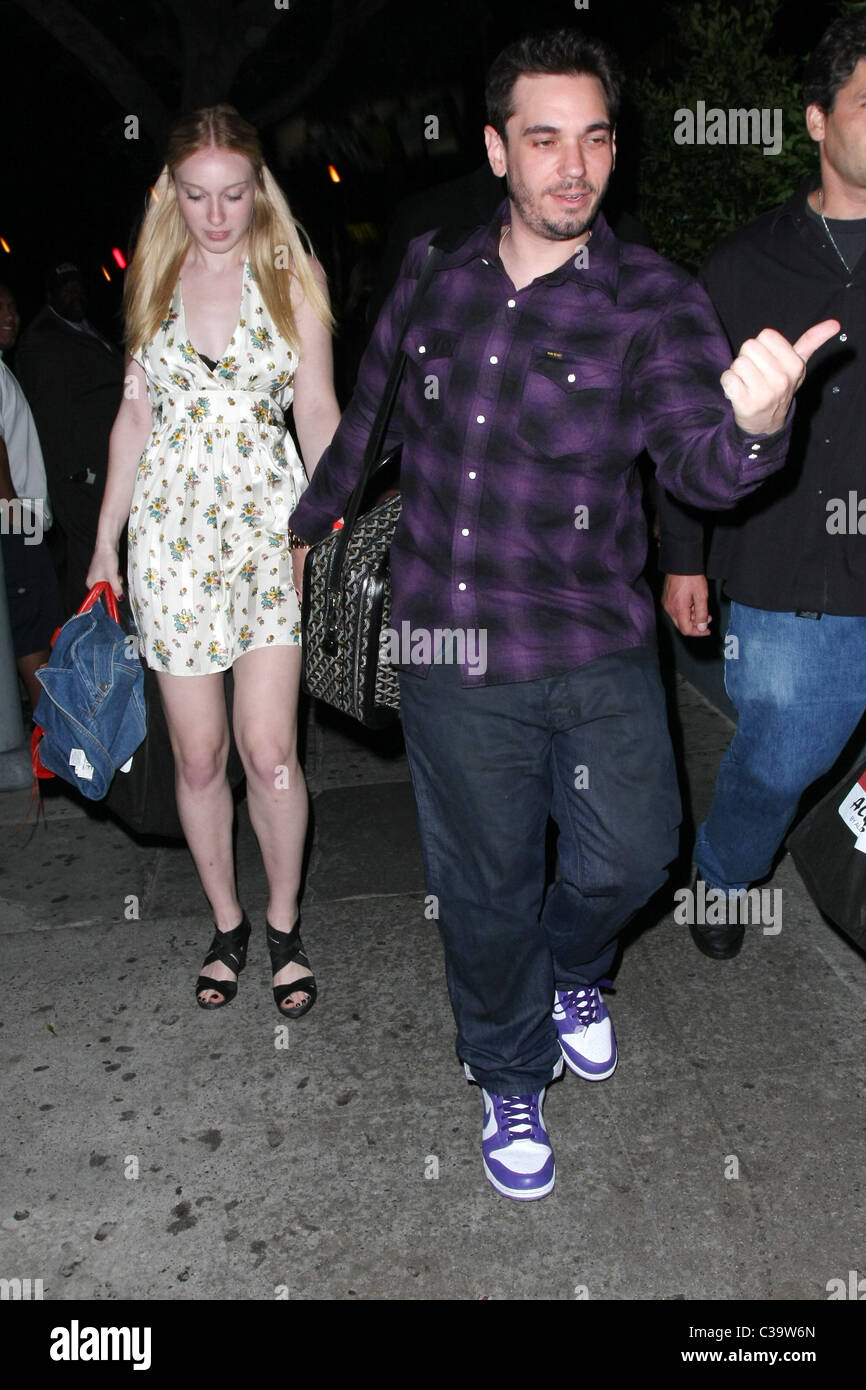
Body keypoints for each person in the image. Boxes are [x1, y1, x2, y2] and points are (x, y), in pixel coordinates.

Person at [288, 27, 835, 1201]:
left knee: (636, 852)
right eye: (542, 138)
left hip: (590, 641)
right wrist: (304, 527)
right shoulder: (431, 274)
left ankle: (576, 966)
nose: (571, 165)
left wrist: (752, 426)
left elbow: (697, 462)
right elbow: (369, 422)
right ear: (495, 150)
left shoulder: (652, 298)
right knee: (481, 883)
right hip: (449, 644)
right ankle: (507, 1067)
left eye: (592, 138)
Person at [86, 104, 340, 1015]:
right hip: (170, 545)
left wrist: (337, 516)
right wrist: (105, 542)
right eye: (197, 195)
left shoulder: (292, 272)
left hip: (273, 539)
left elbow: (316, 408)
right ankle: (226, 925)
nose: (218, 214)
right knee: (198, 761)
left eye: (234, 193)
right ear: (170, 192)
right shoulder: (151, 275)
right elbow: (134, 414)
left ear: (258, 186)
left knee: (269, 754)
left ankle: (283, 925)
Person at [658, 11, 866, 961]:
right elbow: (685, 427)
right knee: (785, 756)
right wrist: (683, 559)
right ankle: (726, 874)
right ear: (818, 119)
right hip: (793, 578)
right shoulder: (744, 263)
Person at [16, 264, 125, 615]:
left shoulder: (88, 330)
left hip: (109, 466)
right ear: (50, 295)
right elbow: (47, 413)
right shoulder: (42, 339)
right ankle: (82, 649)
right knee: (88, 559)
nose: (74, 293)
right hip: (82, 474)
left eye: (78, 286)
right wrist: (75, 471)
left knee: (105, 555)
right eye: (65, 288)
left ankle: (110, 640)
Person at [0, 282, 65, 716]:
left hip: (16, 521)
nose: (10, 315)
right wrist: (20, 529)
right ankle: (50, 752)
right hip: (12, 523)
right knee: (35, 642)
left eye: (12, 306)